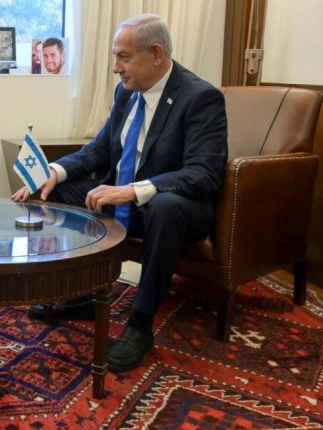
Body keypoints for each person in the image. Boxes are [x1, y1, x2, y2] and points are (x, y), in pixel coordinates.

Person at [12, 14, 228, 371]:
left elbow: (203, 174)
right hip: (129, 199)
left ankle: (140, 325)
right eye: (116, 57)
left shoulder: (200, 97)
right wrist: (54, 171)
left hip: (178, 209)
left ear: (156, 53)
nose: (116, 68)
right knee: (57, 191)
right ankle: (84, 294)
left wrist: (132, 191)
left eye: (123, 57)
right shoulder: (126, 93)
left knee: (165, 206)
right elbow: (98, 151)